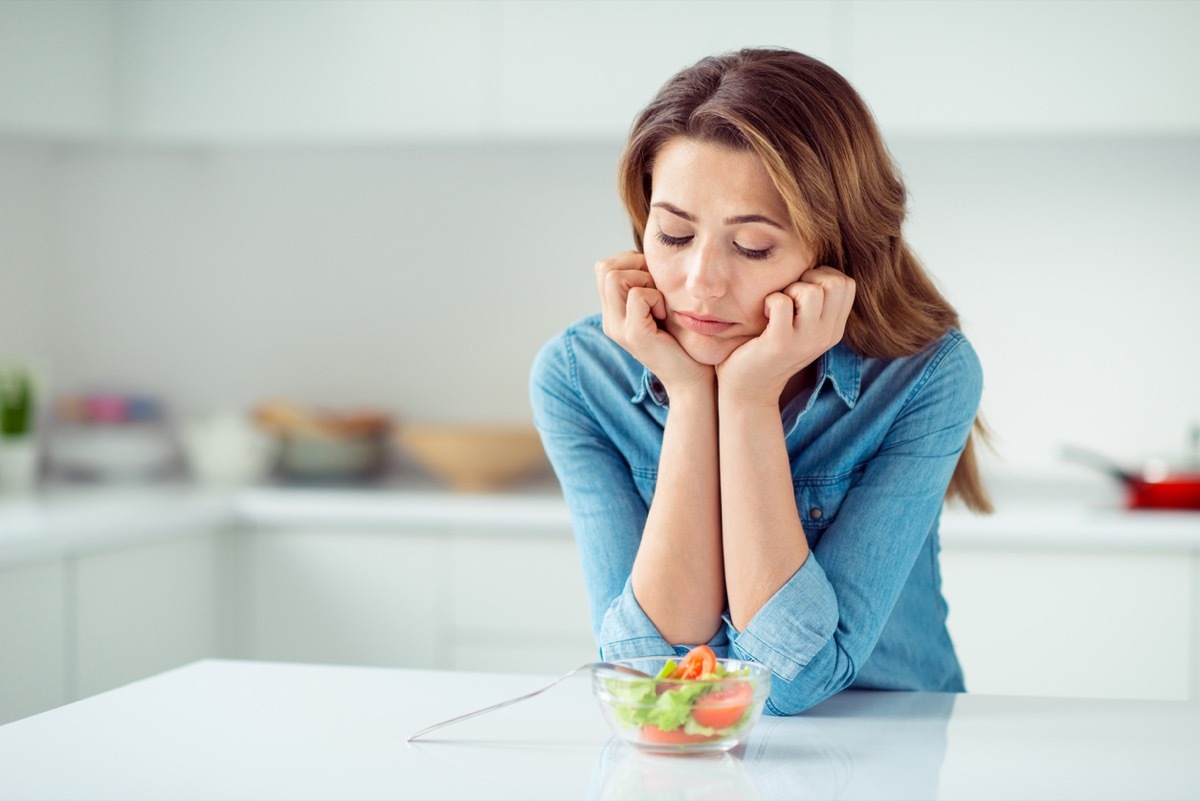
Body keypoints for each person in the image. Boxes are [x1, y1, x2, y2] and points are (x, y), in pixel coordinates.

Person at [529, 47, 991, 716]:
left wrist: (746, 400)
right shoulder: (579, 378)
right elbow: (653, 678)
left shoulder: (926, 377)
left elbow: (794, 678)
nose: (700, 283)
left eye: (753, 247)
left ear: (831, 251)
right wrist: (691, 398)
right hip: (694, 767)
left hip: (899, 746)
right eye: (674, 234)